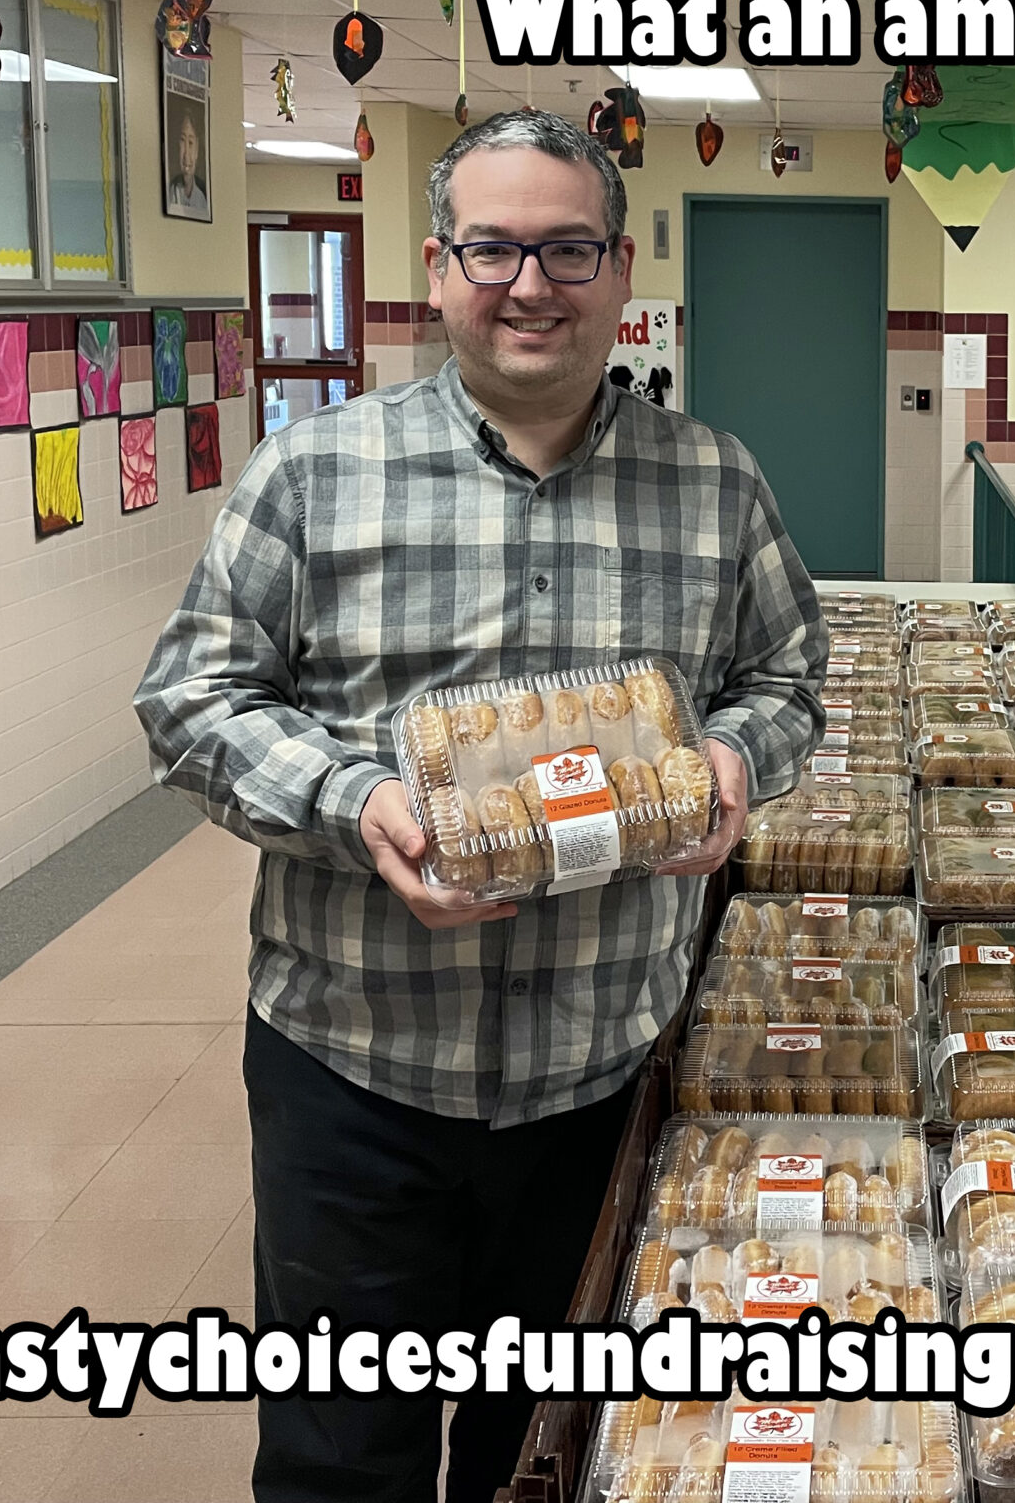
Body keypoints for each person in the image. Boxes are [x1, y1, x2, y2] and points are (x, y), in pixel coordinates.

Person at [135, 108, 826, 1503]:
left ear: (622, 270)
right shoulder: (315, 471)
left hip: (599, 1077)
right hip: (356, 1073)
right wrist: (357, 798)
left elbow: (791, 679)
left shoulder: (714, 483)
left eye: (568, 249)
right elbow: (191, 702)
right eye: (494, 248)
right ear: (439, 267)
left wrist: (738, 765)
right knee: (341, 1461)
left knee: (543, 1459)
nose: (530, 285)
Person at [169, 105, 210, 215]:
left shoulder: (202, 201)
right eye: (182, 141)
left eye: (191, 143)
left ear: (197, 150)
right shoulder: (170, 193)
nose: (186, 154)